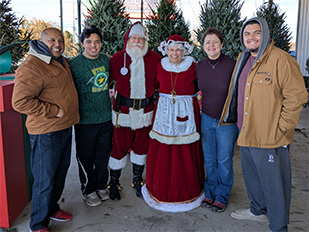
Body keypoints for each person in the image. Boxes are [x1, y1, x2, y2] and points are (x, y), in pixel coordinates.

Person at [219, 17, 308, 231]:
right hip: (246, 130)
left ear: (265, 34)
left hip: (270, 135)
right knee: (252, 176)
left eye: (256, 32)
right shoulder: (243, 58)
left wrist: (282, 129)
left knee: (274, 184)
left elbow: (297, 96)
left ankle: (279, 226)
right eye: (247, 33)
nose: (251, 37)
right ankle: (257, 211)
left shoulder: (281, 59)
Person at [12, 28, 79, 232]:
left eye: (60, 40)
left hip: (64, 127)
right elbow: (20, 102)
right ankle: (38, 224)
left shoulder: (59, 60)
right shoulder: (32, 66)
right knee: (45, 179)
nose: (57, 44)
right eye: (52, 40)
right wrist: (53, 111)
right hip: (46, 132)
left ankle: (52, 208)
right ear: (41, 41)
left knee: (59, 174)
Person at [142, 35, 205, 212]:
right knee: (162, 149)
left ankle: (187, 191)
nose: (174, 53)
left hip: (186, 112)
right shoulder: (159, 66)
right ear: (166, 50)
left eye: (178, 49)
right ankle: (159, 188)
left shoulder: (193, 67)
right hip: (163, 112)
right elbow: (150, 84)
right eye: (171, 49)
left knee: (185, 151)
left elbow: (203, 86)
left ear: (184, 50)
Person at [108, 22, 161, 200]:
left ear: (145, 40)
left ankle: (137, 181)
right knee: (118, 149)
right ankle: (113, 183)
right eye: (134, 38)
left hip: (145, 113)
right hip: (122, 113)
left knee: (141, 148)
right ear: (128, 39)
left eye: (141, 38)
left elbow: (160, 83)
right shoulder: (117, 59)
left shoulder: (155, 59)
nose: (137, 41)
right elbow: (106, 81)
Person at [68, 25, 112, 207]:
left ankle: (102, 185)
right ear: (82, 43)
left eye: (96, 42)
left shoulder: (107, 61)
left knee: (103, 156)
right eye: (89, 42)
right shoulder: (74, 65)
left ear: (101, 43)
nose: (93, 46)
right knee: (86, 157)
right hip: (85, 120)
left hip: (105, 118)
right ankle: (88, 189)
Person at [196, 27, 238, 213]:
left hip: (226, 121)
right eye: (207, 42)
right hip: (206, 118)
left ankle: (222, 195)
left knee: (224, 159)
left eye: (215, 42)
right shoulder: (199, 66)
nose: (211, 45)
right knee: (209, 158)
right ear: (203, 46)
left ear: (221, 44)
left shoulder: (232, 65)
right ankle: (210, 192)